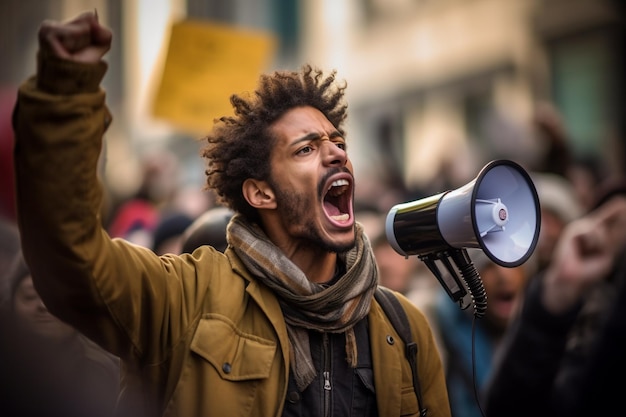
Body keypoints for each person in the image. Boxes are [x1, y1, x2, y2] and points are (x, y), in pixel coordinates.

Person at [12, 11, 451, 417]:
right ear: (260, 193)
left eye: (338, 142)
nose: (336, 153)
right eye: (306, 149)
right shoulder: (185, 299)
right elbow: (70, 259)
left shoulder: (404, 329)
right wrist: (65, 97)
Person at [483, 182, 626, 417]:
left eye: (554, 220)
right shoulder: (558, 302)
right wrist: (552, 304)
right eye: (538, 220)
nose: (545, 232)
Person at [0, 254, 120, 417]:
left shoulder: (108, 372)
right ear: (10, 304)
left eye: (54, 298)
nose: (43, 306)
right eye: (30, 296)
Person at [433, 250, 530, 417]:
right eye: (489, 266)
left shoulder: (544, 337)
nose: (504, 277)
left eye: (512, 264)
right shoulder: (441, 327)